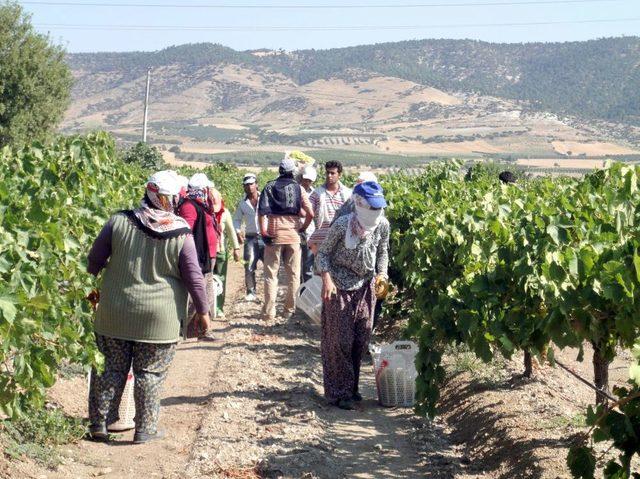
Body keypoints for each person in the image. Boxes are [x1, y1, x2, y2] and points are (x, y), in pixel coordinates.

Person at [86, 171, 210, 443]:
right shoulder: (181, 233)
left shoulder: (118, 222)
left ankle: (99, 425)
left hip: (114, 312)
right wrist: (203, 312)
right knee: (149, 374)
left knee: (109, 369)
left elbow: (93, 261)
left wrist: (87, 291)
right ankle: (144, 429)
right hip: (159, 320)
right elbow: (194, 278)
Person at [316, 181, 389, 410]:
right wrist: (327, 280)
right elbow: (323, 255)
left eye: (378, 208)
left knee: (360, 340)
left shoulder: (382, 225)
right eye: (372, 208)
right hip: (339, 286)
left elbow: (383, 251)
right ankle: (340, 393)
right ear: (359, 204)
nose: (376, 213)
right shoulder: (342, 225)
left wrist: (382, 275)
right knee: (340, 342)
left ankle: (352, 388)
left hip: (365, 287)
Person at [258, 157, 314, 320]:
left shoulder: (269, 186)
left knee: (270, 274)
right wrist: (302, 228)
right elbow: (310, 213)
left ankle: (269, 312)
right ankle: (289, 310)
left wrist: (263, 231)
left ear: (280, 171)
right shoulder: (298, 188)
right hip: (293, 235)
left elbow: (262, 212)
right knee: (294, 275)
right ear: (293, 172)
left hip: (274, 234)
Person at [177, 173, 219, 323]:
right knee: (197, 293)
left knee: (206, 291)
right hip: (198, 256)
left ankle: (204, 327)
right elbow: (186, 232)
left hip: (207, 255)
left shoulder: (202, 205)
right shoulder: (189, 207)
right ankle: (184, 326)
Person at [308, 161, 352, 253]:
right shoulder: (317, 193)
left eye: (332, 173)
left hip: (341, 239)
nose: (329, 175)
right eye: (327, 172)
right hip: (321, 239)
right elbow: (309, 212)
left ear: (339, 175)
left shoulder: (348, 194)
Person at [234, 173, 264, 301]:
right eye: (246, 185)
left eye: (251, 184)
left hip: (266, 236)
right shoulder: (242, 203)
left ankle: (271, 290)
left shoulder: (265, 198)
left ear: (256, 184)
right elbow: (236, 219)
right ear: (243, 187)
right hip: (251, 237)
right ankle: (251, 291)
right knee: (249, 265)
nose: (249, 187)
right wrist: (237, 231)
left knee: (270, 265)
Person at [212, 189, 241, 317]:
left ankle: (219, 307)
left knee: (220, 281)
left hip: (220, 251)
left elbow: (231, 232)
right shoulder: (204, 213)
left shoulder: (225, 213)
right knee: (206, 280)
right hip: (207, 253)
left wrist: (236, 248)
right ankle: (207, 307)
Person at [299, 166, 317, 283]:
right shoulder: (295, 190)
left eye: (309, 181)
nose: (307, 182)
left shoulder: (315, 194)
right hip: (295, 231)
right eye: (305, 180)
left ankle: (306, 293)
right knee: (295, 265)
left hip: (309, 232)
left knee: (308, 266)